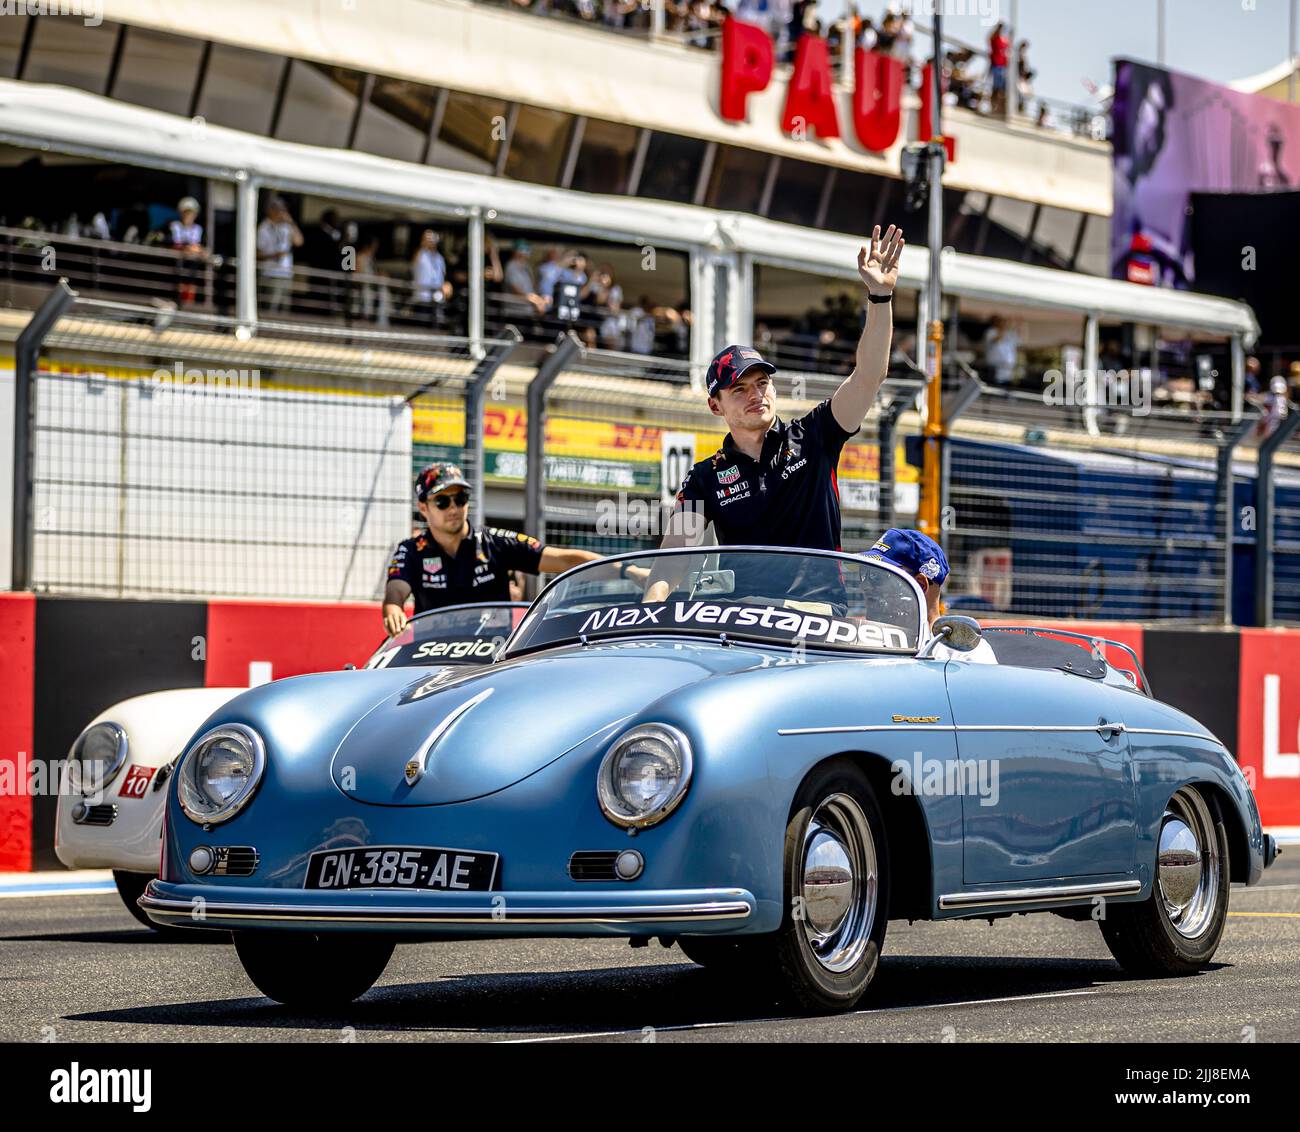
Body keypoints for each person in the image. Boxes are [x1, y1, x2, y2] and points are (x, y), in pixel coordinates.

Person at [644, 223, 905, 601]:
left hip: (817, 620)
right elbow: (670, 562)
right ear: (715, 405)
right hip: (743, 625)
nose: (756, 394)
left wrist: (879, 296)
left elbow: (869, 376)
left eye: (762, 383)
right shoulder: (705, 477)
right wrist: (648, 618)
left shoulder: (815, 435)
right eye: (740, 388)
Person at [382, 463, 607, 635]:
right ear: (423, 507)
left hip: (490, 660)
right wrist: (393, 609)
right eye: (442, 501)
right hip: (432, 658)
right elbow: (396, 591)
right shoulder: (412, 550)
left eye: (460, 498)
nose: (454, 508)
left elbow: (565, 560)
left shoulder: (495, 542)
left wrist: (629, 570)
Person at [862, 529, 997, 663]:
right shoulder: (863, 642)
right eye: (864, 574)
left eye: (877, 576)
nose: (865, 586)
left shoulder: (965, 654)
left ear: (920, 585)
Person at [255, 196, 302, 314]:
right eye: (279, 209)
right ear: (271, 211)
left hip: (286, 273)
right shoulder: (263, 228)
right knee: (270, 309)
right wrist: (274, 255)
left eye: (283, 210)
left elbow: (299, 242)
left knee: (284, 309)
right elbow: (256, 254)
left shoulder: (286, 227)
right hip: (270, 274)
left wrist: (291, 222)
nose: (282, 213)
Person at [410, 229, 452, 328]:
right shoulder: (420, 254)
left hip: (437, 298)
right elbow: (413, 263)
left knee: (435, 327)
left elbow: (442, 276)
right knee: (420, 326)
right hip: (421, 298)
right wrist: (423, 244)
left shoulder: (439, 258)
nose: (430, 240)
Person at [168, 196, 205, 307]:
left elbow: (196, 245)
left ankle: (188, 306)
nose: (189, 216)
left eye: (191, 213)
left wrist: (198, 249)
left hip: (191, 263)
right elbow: (177, 244)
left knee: (191, 284)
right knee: (181, 285)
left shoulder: (197, 228)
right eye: (186, 212)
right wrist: (189, 248)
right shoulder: (176, 226)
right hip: (179, 263)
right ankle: (180, 305)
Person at [987, 21, 1010, 116]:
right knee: (995, 88)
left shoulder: (1004, 40)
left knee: (1002, 89)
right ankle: (992, 107)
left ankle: (999, 108)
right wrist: (997, 28)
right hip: (996, 65)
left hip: (1003, 67)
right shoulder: (995, 38)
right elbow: (989, 38)